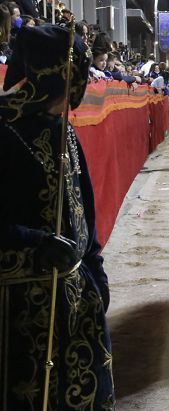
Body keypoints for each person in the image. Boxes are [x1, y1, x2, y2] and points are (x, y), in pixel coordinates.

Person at [0, 25, 114, 409]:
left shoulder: (64, 130)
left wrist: (95, 267)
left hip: (76, 294)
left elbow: (85, 207)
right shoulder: (6, 131)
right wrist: (35, 241)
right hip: (22, 303)